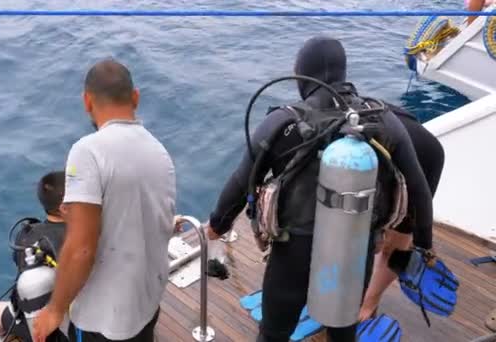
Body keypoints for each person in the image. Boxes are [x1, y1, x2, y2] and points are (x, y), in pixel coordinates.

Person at [205, 36, 434, 342]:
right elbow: (418, 187)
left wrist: (217, 226)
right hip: (357, 245)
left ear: (301, 75)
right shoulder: (381, 119)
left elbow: (240, 181)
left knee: (274, 332)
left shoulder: (282, 121)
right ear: (342, 71)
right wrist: (424, 243)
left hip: (293, 252)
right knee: (342, 330)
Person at [32, 58, 177, 342]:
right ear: (135, 98)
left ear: (87, 102)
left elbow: (81, 249)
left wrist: (55, 310)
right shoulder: (160, 153)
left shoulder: (87, 152)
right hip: (146, 306)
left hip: (104, 321)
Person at [359, 102, 445, 321]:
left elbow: (422, 198)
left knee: (395, 245)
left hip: (424, 153)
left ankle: (368, 306)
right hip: (384, 143)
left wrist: (424, 244)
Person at [0, 171, 70, 342]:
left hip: (41, 323)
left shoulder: (25, 236)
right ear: (65, 207)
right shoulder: (82, 237)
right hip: (68, 324)